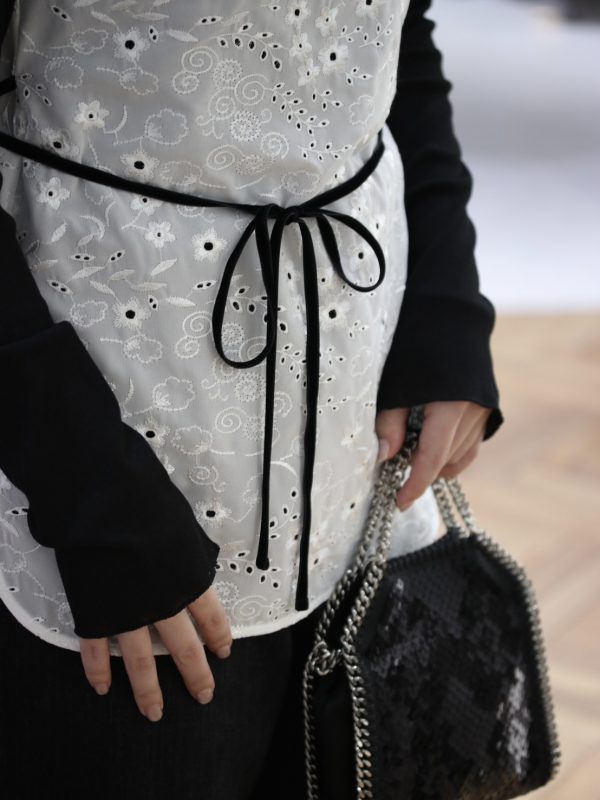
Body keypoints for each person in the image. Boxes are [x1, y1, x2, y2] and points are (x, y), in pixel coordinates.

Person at [0, 0, 503, 797]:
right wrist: (86, 483)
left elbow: (404, 33)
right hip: (105, 438)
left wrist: (448, 308)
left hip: (355, 399)